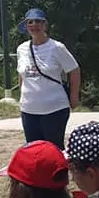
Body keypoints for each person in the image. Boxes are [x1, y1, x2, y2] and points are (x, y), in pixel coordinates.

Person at [17, 8, 80, 150]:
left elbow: (74, 70)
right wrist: (22, 96)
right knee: (34, 151)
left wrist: (74, 96)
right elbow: (21, 75)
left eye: (38, 21)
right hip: (29, 109)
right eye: (30, 22)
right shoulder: (21, 49)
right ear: (26, 26)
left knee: (54, 150)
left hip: (54, 108)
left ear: (44, 25)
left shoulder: (56, 47)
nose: (34, 25)